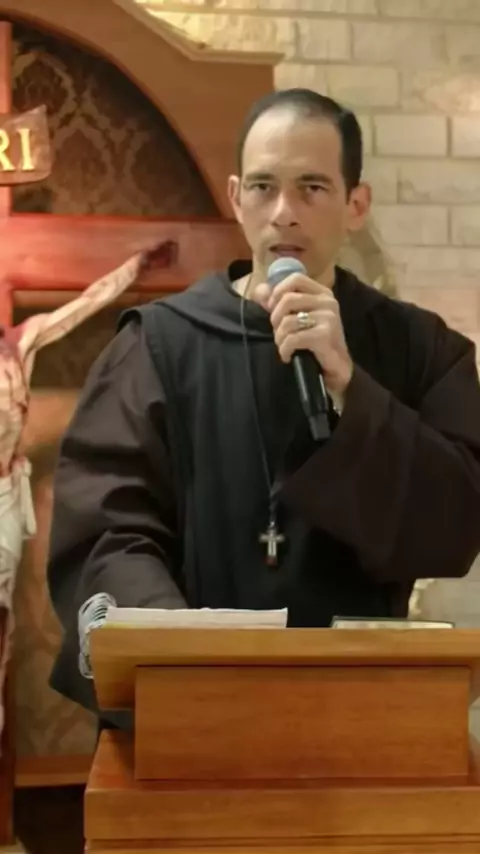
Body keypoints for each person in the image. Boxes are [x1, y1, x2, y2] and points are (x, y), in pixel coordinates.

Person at [47, 89, 480, 716]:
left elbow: (457, 522)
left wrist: (351, 388)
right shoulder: (158, 345)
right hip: (194, 707)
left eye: (312, 188)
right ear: (236, 198)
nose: (283, 213)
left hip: (360, 711)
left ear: (356, 205)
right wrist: (185, 659)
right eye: (262, 187)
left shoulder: (419, 348)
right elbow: (106, 528)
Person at [0, 238, 173, 738]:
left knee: (3, 612)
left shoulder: (21, 344)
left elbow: (85, 305)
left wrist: (134, 268)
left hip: (7, 493)